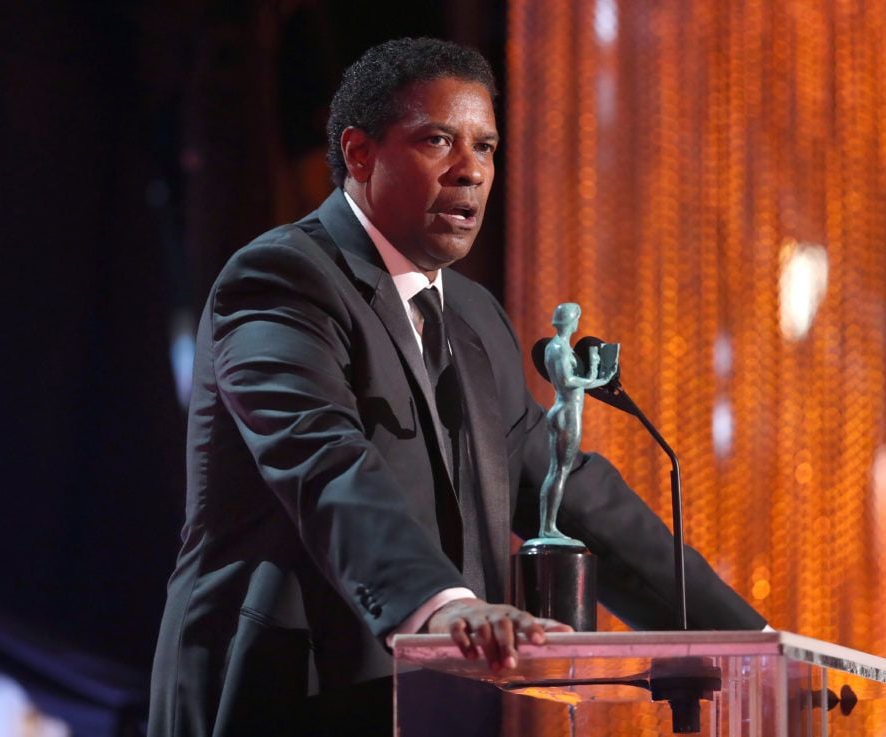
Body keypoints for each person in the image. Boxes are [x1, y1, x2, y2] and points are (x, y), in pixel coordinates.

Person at [149, 37, 765, 737]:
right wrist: (441, 603)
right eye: (439, 140)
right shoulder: (282, 280)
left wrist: (751, 640)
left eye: (486, 146)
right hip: (287, 691)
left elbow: (571, 491)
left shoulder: (472, 316)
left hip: (433, 702)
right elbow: (323, 460)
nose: (470, 171)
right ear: (359, 153)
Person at [535, 303, 614, 544]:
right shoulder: (558, 348)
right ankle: (548, 528)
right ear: (573, 321)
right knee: (559, 472)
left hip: (562, 410)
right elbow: (568, 380)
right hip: (567, 412)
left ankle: (548, 526)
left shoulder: (556, 347)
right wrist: (597, 378)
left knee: (557, 471)